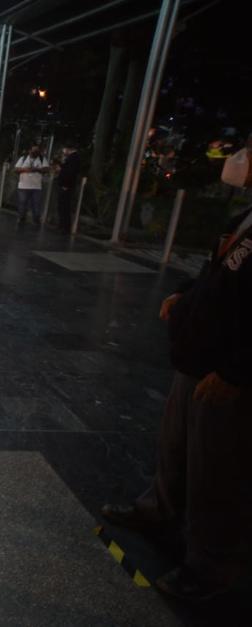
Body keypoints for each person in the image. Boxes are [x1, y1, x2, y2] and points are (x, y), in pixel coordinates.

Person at [101, 204, 252, 601]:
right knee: (176, 446)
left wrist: (238, 372)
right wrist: (185, 296)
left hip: (228, 371)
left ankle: (209, 568)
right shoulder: (245, 216)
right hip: (198, 357)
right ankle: (157, 512)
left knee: (217, 470)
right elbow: (218, 274)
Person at [14, 144, 49, 225]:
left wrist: (37, 169)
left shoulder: (42, 159)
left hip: (36, 187)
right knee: (22, 203)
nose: (36, 152)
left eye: (37, 150)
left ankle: (36, 220)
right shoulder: (23, 159)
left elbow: (46, 169)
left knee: (36, 204)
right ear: (30, 151)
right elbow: (16, 169)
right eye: (34, 150)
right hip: (23, 185)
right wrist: (25, 169)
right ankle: (21, 218)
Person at [56, 144, 81, 232]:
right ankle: (62, 225)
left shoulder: (73, 158)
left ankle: (64, 226)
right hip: (65, 184)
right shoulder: (71, 158)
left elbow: (70, 173)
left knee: (64, 206)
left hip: (66, 186)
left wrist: (65, 185)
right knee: (62, 206)